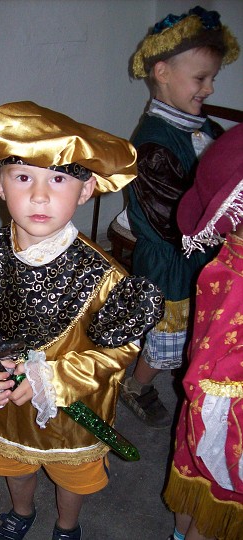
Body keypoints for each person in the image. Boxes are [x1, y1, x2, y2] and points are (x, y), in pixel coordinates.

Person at [0, 101, 164, 540]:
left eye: (58, 179)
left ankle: (66, 525)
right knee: (15, 467)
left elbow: (116, 354)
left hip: (72, 414)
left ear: (86, 189)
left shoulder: (106, 278)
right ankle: (21, 513)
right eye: (23, 177)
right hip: (6, 406)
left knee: (71, 480)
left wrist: (50, 379)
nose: (39, 196)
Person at [120, 5, 240, 428]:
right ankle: (136, 384)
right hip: (172, 260)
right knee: (167, 335)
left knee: (201, 325)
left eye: (213, 78)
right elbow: (174, 222)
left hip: (201, 252)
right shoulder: (153, 145)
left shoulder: (203, 128)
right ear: (163, 73)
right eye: (201, 78)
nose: (209, 88)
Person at [163, 123, 243, 540]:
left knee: (198, 485)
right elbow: (221, 375)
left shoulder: (229, 261)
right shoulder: (237, 278)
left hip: (213, 401)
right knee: (215, 499)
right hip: (227, 414)